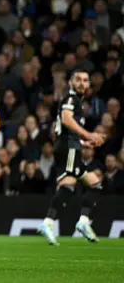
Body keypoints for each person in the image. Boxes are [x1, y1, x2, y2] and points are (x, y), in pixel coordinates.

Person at [38, 70, 106, 245]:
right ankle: (48, 223)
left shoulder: (78, 102)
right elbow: (66, 120)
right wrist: (88, 135)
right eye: (79, 80)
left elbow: (67, 129)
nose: (82, 83)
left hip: (72, 147)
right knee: (68, 185)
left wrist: (84, 143)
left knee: (95, 184)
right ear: (71, 82)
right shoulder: (70, 98)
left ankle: (83, 222)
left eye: (85, 80)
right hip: (67, 148)